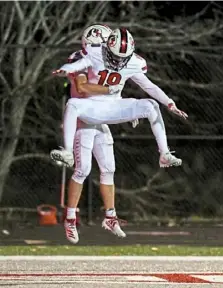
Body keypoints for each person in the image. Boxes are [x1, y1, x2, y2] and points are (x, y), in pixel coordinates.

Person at [51, 28, 188, 172]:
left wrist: (169, 102)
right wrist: (65, 69)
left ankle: (165, 153)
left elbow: (149, 86)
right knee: (72, 104)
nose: (119, 61)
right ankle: (67, 152)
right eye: (116, 56)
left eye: (124, 57)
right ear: (107, 47)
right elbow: (77, 65)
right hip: (93, 106)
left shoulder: (135, 62)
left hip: (115, 105)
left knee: (151, 105)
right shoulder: (96, 52)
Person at [57, 24, 133, 244]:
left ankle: (110, 216)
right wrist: (111, 89)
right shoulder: (80, 58)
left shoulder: (107, 61)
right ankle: (70, 217)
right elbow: (83, 88)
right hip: (83, 118)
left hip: (99, 118)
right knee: (83, 169)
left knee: (109, 168)